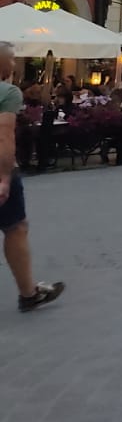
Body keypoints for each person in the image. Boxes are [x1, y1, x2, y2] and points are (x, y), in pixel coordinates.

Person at [0, 44, 65, 312]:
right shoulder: (8, 92)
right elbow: (3, 135)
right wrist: (3, 176)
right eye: (13, 59)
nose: (15, 64)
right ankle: (28, 293)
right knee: (15, 227)